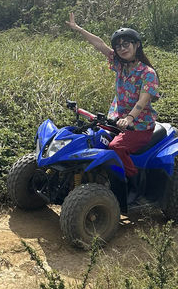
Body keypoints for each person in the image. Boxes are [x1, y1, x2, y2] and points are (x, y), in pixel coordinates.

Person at [66, 12, 159, 182]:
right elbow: (99, 44)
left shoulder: (148, 73)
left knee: (116, 147)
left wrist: (130, 118)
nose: (122, 48)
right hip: (116, 120)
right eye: (118, 46)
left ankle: (132, 179)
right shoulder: (120, 65)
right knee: (92, 139)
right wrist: (78, 28)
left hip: (140, 125)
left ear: (137, 45)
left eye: (126, 44)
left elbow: (142, 101)